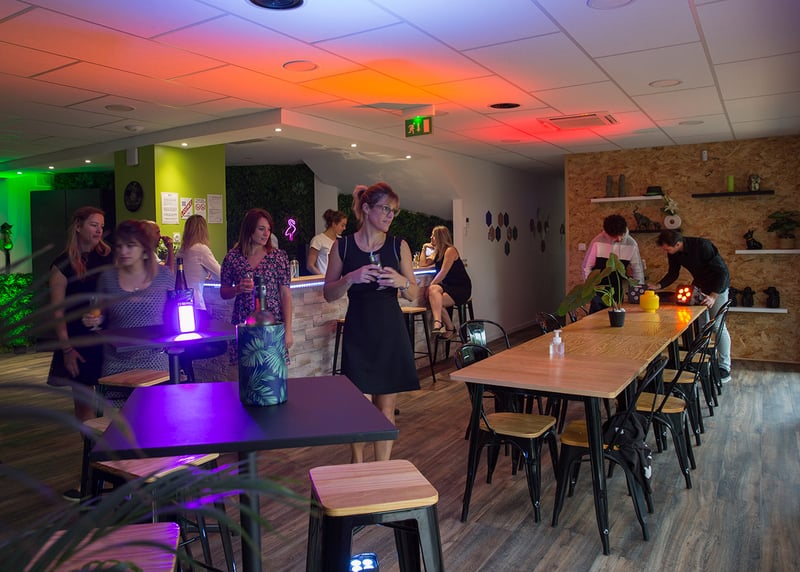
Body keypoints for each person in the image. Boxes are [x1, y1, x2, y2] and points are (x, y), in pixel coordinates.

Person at [323, 182, 419, 463]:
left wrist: (402, 283)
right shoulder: (342, 247)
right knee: (358, 408)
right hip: (359, 331)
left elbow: (413, 293)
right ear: (366, 208)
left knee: (386, 409)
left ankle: (382, 469)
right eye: (386, 209)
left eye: (394, 211)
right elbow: (329, 293)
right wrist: (349, 278)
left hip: (390, 331)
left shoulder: (398, 245)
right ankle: (357, 465)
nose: (390, 216)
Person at [47, 207, 112, 501]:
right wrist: (67, 349)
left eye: (101, 225)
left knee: (113, 406)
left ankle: (114, 472)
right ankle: (91, 477)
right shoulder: (62, 265)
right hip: (76, 343)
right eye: (93, 225)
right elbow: (57, 313)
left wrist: (103, 313)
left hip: (106, 341)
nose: (98, 230)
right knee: (85, 411)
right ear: (78, 226)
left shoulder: (108, 257)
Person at [97, 220, 173, 388]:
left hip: (155, 361)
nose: (123, 251)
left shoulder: (164, 276)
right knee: (117, 405)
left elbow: (174, 317)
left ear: (144, 247)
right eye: (119, 246)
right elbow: (100, 315)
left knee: (155, 405)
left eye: (130, 246)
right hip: (116, 362)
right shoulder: (107, 278)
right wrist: (93, 320)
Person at [648, 230, 732, 383]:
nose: (666, 252)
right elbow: (673, 273)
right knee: (701, 327)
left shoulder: (703, 246)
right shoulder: (674, 253)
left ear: (677, 244)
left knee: (717, 326)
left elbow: (722, 273)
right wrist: (658, 286)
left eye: (668, 249)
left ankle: (724, 367)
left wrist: (713, 296)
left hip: (718, 288)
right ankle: (704, 363)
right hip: (700, 287)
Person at [220, 208, 293, 363]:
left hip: (272, 323)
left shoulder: (278, 257)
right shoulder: (233, 258)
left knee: (273, 371)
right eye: (261, 229)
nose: (266, 234)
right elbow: (224, 291)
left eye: (269, 229)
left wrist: (288, 330)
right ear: (249, 229)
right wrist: (237, 289)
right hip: (244, 323)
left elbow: (285, 294)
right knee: (245, 371)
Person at [582, 214, 644, 313]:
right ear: (607, 233)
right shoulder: (597, 242)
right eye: (614, 236)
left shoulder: (631, 244)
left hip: (617, 290)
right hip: (599, 290)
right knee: (596, 319)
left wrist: (638, 294)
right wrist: (590, 289)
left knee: (618, 319)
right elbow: (587, 266)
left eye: (621, 234)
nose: (619, 239)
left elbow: (637, 269)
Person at [419, 225, 472, 339]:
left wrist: (429, 287)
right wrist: (424, 248)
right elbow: (422, 264)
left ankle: (447, 327)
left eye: (433, 235)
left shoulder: (450, 250)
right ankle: (440, 324)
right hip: (449, 286)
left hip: (461, 288)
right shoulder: (437, 252)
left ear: (440, 237)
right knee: (434, 293)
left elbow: (443, 272)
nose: (431, 237)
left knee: (434, 299)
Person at [177, 214, 220, 314]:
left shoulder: (181, 251)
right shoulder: (201, 249)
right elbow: (221, 275)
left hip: (179, 303)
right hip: (195, 304)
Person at [307, 209, 348, 275]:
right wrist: (322, 277)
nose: (344, 228)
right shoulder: (318, 240)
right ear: (334, 224)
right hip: (325, 278)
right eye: (342, 225)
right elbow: (310, 265)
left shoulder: (341, 240)